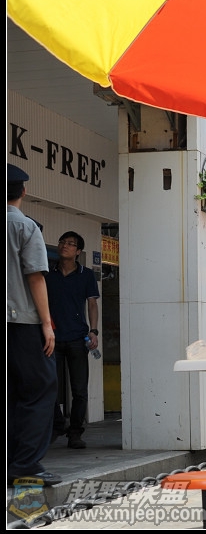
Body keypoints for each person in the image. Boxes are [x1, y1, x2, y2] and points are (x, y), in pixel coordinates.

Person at [7, 163, 61, 486]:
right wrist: (47, 324)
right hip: (22, 323)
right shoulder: (25, 227)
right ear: (23, 191)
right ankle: (25, 464)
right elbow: (36, 277)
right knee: (39, 390)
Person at [47, 231, 100, 449]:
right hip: (52, 338)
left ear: (78, 252)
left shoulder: (86, 275)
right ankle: (57, 424)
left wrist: (94, 331)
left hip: (78, 338)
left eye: (70, 244)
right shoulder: (48, 273)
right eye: (62, 242)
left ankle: (75, 432)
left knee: (79, 390)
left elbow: (92, 304)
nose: (64, 246)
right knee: (49, 385)